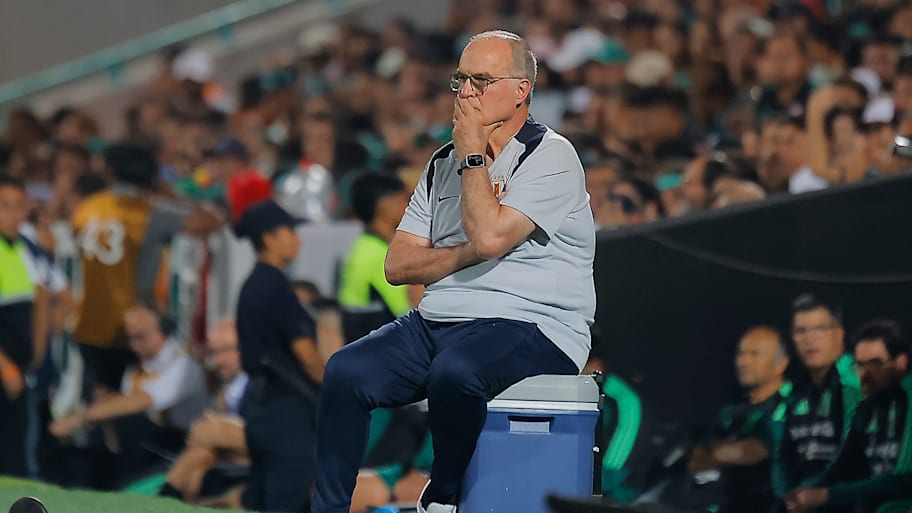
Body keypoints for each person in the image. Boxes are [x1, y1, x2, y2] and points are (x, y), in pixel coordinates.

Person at [313, 30, 595, 513]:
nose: (466, 92)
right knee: (345, 372)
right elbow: (398, 264)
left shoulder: (551, 156)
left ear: (521, 90)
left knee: (456, 372)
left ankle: (441, 494)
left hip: (535, 324)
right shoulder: (442, 162)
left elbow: (489, 237)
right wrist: (466, 255)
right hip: (439, 321)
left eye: (482, 80)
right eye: (461, 79)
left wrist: (472, 155)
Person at [71, 144, 218, 399]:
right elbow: (210, 221)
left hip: (88, 320)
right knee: (135, 401)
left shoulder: (86, 208)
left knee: (98, 400)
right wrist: (167, 193)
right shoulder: (150, 211)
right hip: (134, 326)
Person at [49, 303, 208, 484]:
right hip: (150, 446)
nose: (134, 345)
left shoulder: (183, 366)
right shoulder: (137, 367)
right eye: (130, 338)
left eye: (141, 337)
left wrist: (80, 418)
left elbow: (142, 401)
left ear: (163, 331)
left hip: (180, 447)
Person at [233, 199, 324, 513]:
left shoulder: (253, 285)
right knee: (289, 502)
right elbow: (308, 357)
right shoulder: (276, 288)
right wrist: (338, 390)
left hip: (259, 408)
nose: (297, 239)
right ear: (269, 238)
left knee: (263, 501)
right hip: (287, 412)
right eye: (289, 232)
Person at [785, 319, 912, 513]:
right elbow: (846, 466)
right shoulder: (867, 409)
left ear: (901, 363)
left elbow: (905, 480)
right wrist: (804, 492)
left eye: (875, 363)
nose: (865, 374)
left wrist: (829, 495)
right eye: (860, 365)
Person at [687, 326, 791, 513]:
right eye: (741, 354)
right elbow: (695, 459)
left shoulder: (795, 404)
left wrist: (715, 453)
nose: (743, 361)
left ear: (781, 363)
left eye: (754, 354)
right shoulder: (731, 410)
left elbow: (751, 450)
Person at [772, 294, 863, 505]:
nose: (809, 339)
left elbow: (854, 458)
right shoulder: (793, 393)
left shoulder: (858, 384)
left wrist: (813, 491)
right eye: (800, 331)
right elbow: (782, 456)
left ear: (839, 333)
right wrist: (786, 496)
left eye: (819, 329)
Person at [159, 319, 249, 503]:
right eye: (213, 352)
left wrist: (220, 427)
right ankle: (171, 495)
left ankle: (167, 494)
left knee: (206, 436)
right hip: (227, 457)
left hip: (257, 459)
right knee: (200, 462)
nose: (217, 360)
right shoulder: (230, 387)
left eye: (225, 350)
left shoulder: (261, 384)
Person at [0, 172, 45, 477]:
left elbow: (41, 298)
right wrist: (6, 367)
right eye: (5, 205)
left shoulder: (21, 248)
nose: (15, 214)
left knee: (14, 459)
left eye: (20, 206)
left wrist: (37, 352)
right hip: (6, 370)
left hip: (19, 368)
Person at [338, 171, 414, 343]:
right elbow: (409, 312)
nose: (411, 206)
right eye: (405, 199)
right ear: (385, 206)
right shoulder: (379, 254)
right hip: (379, 353)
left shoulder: (364, 246)